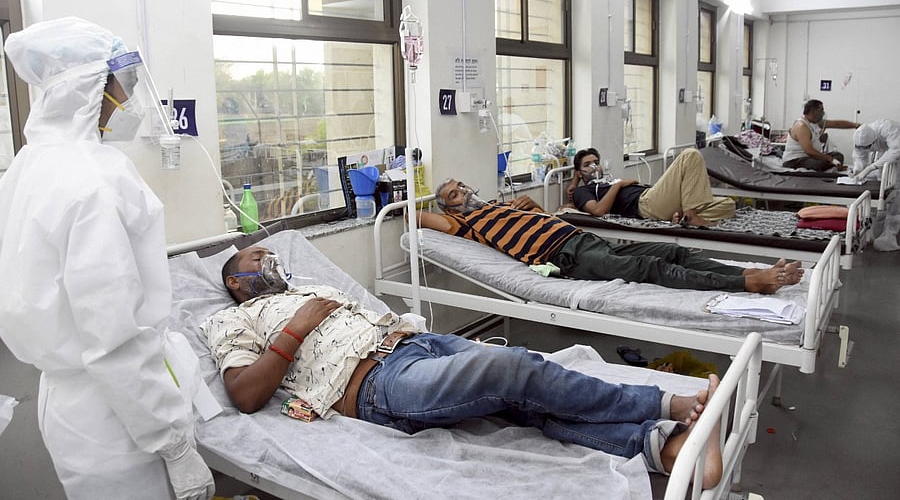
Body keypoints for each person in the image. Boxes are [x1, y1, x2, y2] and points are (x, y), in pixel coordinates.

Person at [203, 245, 724, 488]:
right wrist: (298, 325)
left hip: (416, 344)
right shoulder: (234, 320)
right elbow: (245, 394)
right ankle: (666, 403)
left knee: (530, 395)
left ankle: (666, 449)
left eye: (272, 254)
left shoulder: (310, 287)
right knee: (515, 369)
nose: (270, 261)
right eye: (256, 260)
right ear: (234, 282)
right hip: (378, 384)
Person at [0, 17, 214, 500]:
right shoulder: (93, 181)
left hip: (70, 407)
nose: (129, 98)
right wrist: (175, 446)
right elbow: (113, 338)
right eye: (124, 83)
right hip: (117, 422)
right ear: (88, 87)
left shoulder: (26, 168)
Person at [420, 180, 803, 293]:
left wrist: (533, 205)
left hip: (581, 237)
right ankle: (747, 281)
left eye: (463, 185)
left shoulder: (496, 207)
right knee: (650, 268)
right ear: (449, 208)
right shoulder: (461, 224)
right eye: (455, 194)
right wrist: (406, 194)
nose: (466, 192)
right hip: (569, 257)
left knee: (675, 251)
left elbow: (545, 218)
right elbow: (417, 216)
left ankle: (750, 274)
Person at [566, 147, 735, 226]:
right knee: (690, 155)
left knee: (728, 204)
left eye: (596, 162)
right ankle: (691, 216)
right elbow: (598, 211)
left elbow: (582, 173)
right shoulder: (583, 191)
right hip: (646, 204)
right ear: (579, 172)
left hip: (654, 197)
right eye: (587, 164)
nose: (594, 166)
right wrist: (618, 185)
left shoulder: (607, 180)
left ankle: (681, 215)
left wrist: (576, 177)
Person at [852, 120, 900, 251]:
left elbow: (896, 150)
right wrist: (858, 169)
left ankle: (889, 237)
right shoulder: (860, 137)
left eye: (868, 147)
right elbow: (859, 155)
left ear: (874, 141)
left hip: (896, 155)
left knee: (895, 198)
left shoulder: (888, 128)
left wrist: (871, 167)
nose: (865, 150)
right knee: (880, 197)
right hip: (884, 157)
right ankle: (875, 234)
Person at [782, 99, 860, 172]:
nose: (823, 113)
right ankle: (833, 166)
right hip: (795, 160)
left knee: (838, 155)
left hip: (809, 158)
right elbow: (809, 151)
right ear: (812, 112)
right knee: (819, 164)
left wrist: (857, 125)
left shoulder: (817, 123)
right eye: (821, 111)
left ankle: (833, 166)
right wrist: (831, 159)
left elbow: (838, 124)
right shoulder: (801, 126)